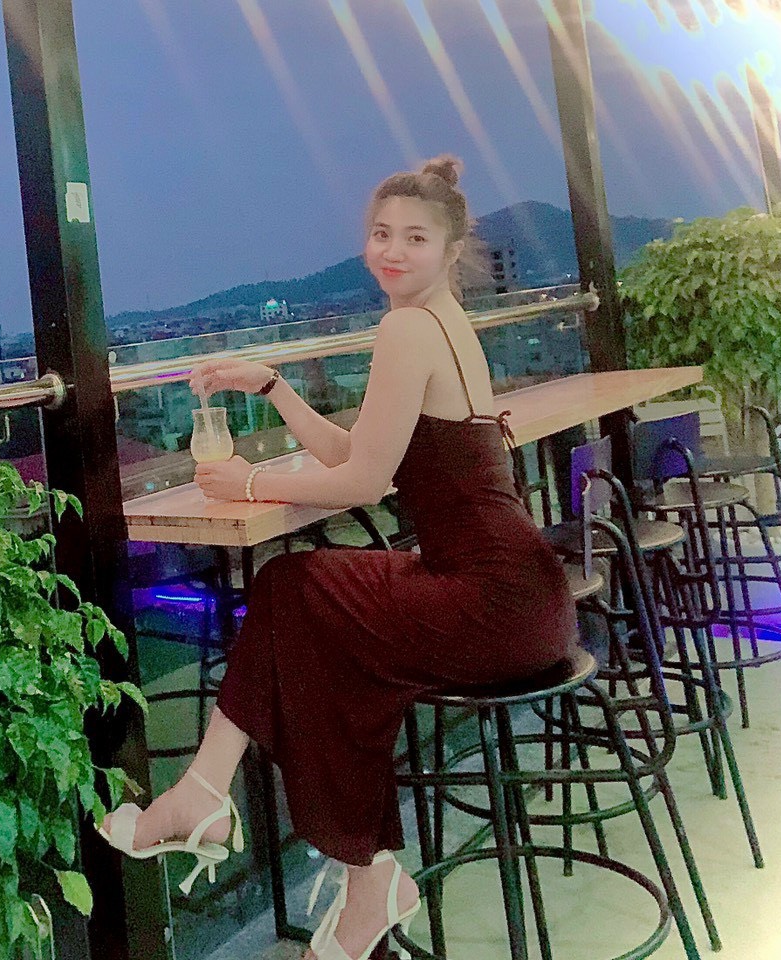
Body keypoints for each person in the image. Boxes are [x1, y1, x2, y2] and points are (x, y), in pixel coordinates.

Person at [99, 156, 578, 960]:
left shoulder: (406, 329)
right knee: (307, 605)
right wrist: (274, 387)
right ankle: (309, 852)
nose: (392, 251)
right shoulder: (444, 324)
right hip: (524, 597)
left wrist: (248, 481)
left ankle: (249, 817)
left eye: (414, 238)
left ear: (451, 249)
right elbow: (362, 451)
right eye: (381, 234)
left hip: (492, 602)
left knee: (295, 591)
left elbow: (361, 481)